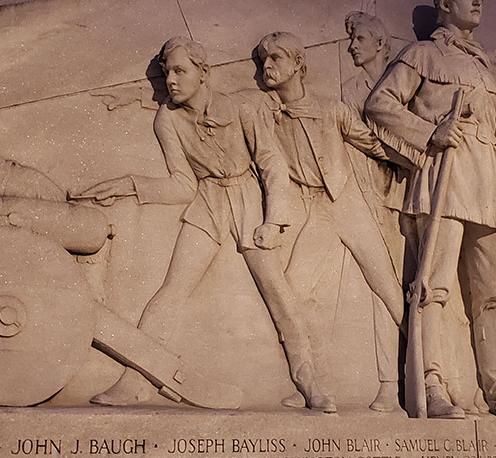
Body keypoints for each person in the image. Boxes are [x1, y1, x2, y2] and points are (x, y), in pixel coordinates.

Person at [78, 36, 335, 412]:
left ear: (204, 73)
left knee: (278, 292)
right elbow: (182, 184)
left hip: (248, 199)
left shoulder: (240, 107)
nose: (172, 81)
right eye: (167, 74)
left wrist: (273, 218)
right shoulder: (167, 119)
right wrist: (129, 186)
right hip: (208, 203)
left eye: (180, 71)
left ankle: (310, 383)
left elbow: (270, 162)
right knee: (172, 288)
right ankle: (136, 380)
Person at [365, 0, 496, 421]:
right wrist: (429, 132)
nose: (478, 1)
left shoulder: (488, 68)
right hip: (444, 181)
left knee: (495, 295)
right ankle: (431, 383)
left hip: (489, 186)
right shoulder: (422, 54)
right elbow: (380, 104)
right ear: (445, 2)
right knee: (433, 286)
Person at [255, 31, 405, 412]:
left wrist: (419, 158)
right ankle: (312, 383)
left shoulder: (332, 109)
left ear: (298, 65)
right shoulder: (270, 118)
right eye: (263, 61)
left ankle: (421, 376)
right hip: (316, 211)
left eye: (275, 59)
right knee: (294, 291)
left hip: (349, 204)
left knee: (387, 288)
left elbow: (372, 144)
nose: (267, 67)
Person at [342, 12, 405, 412]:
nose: (352, 45)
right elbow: (360, 136)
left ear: (381, 43)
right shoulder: (351, 89)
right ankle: (389, 383)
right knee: (383, 289)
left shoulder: (404, 83)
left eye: (360, 38)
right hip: (370, 193)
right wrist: (399, 152)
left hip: (411, 194)